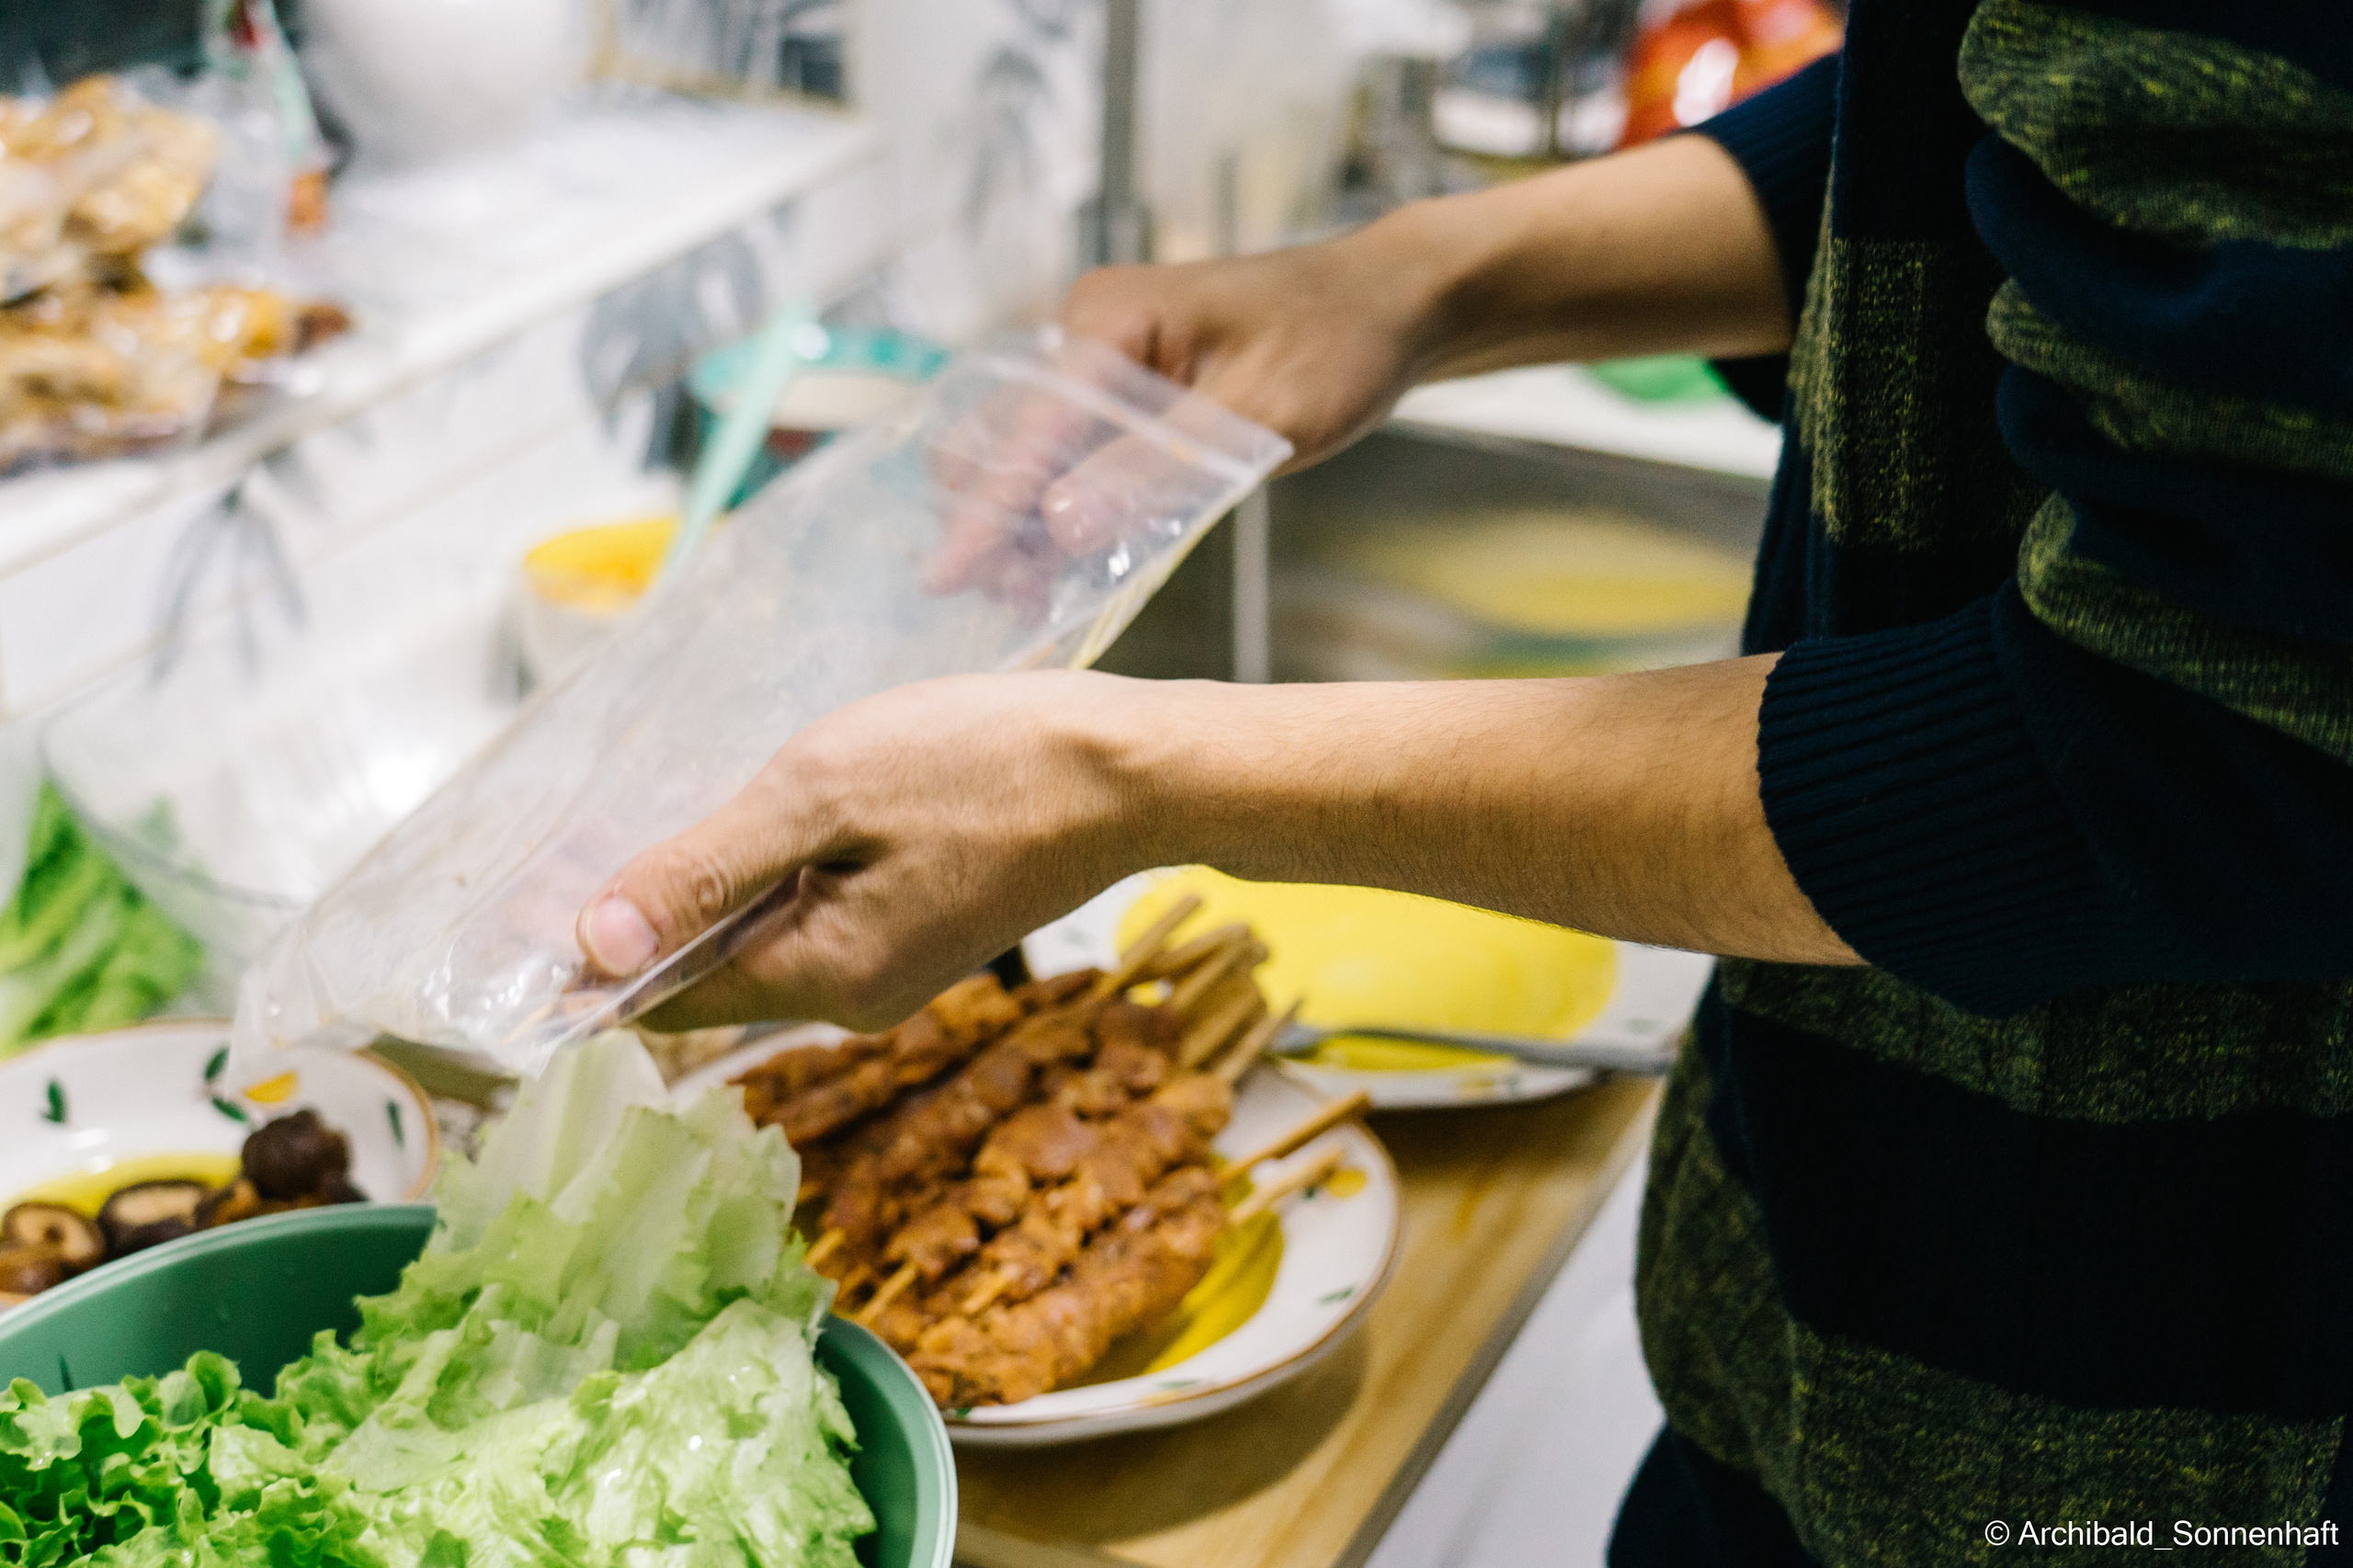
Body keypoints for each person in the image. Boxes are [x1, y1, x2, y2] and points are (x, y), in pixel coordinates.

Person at [577, 2, 2353, 1561]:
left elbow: (2180, 740)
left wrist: (1129, 774)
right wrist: (1420, 279)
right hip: (1817, 1341)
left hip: (2171, 1443)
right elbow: (1987, 123)